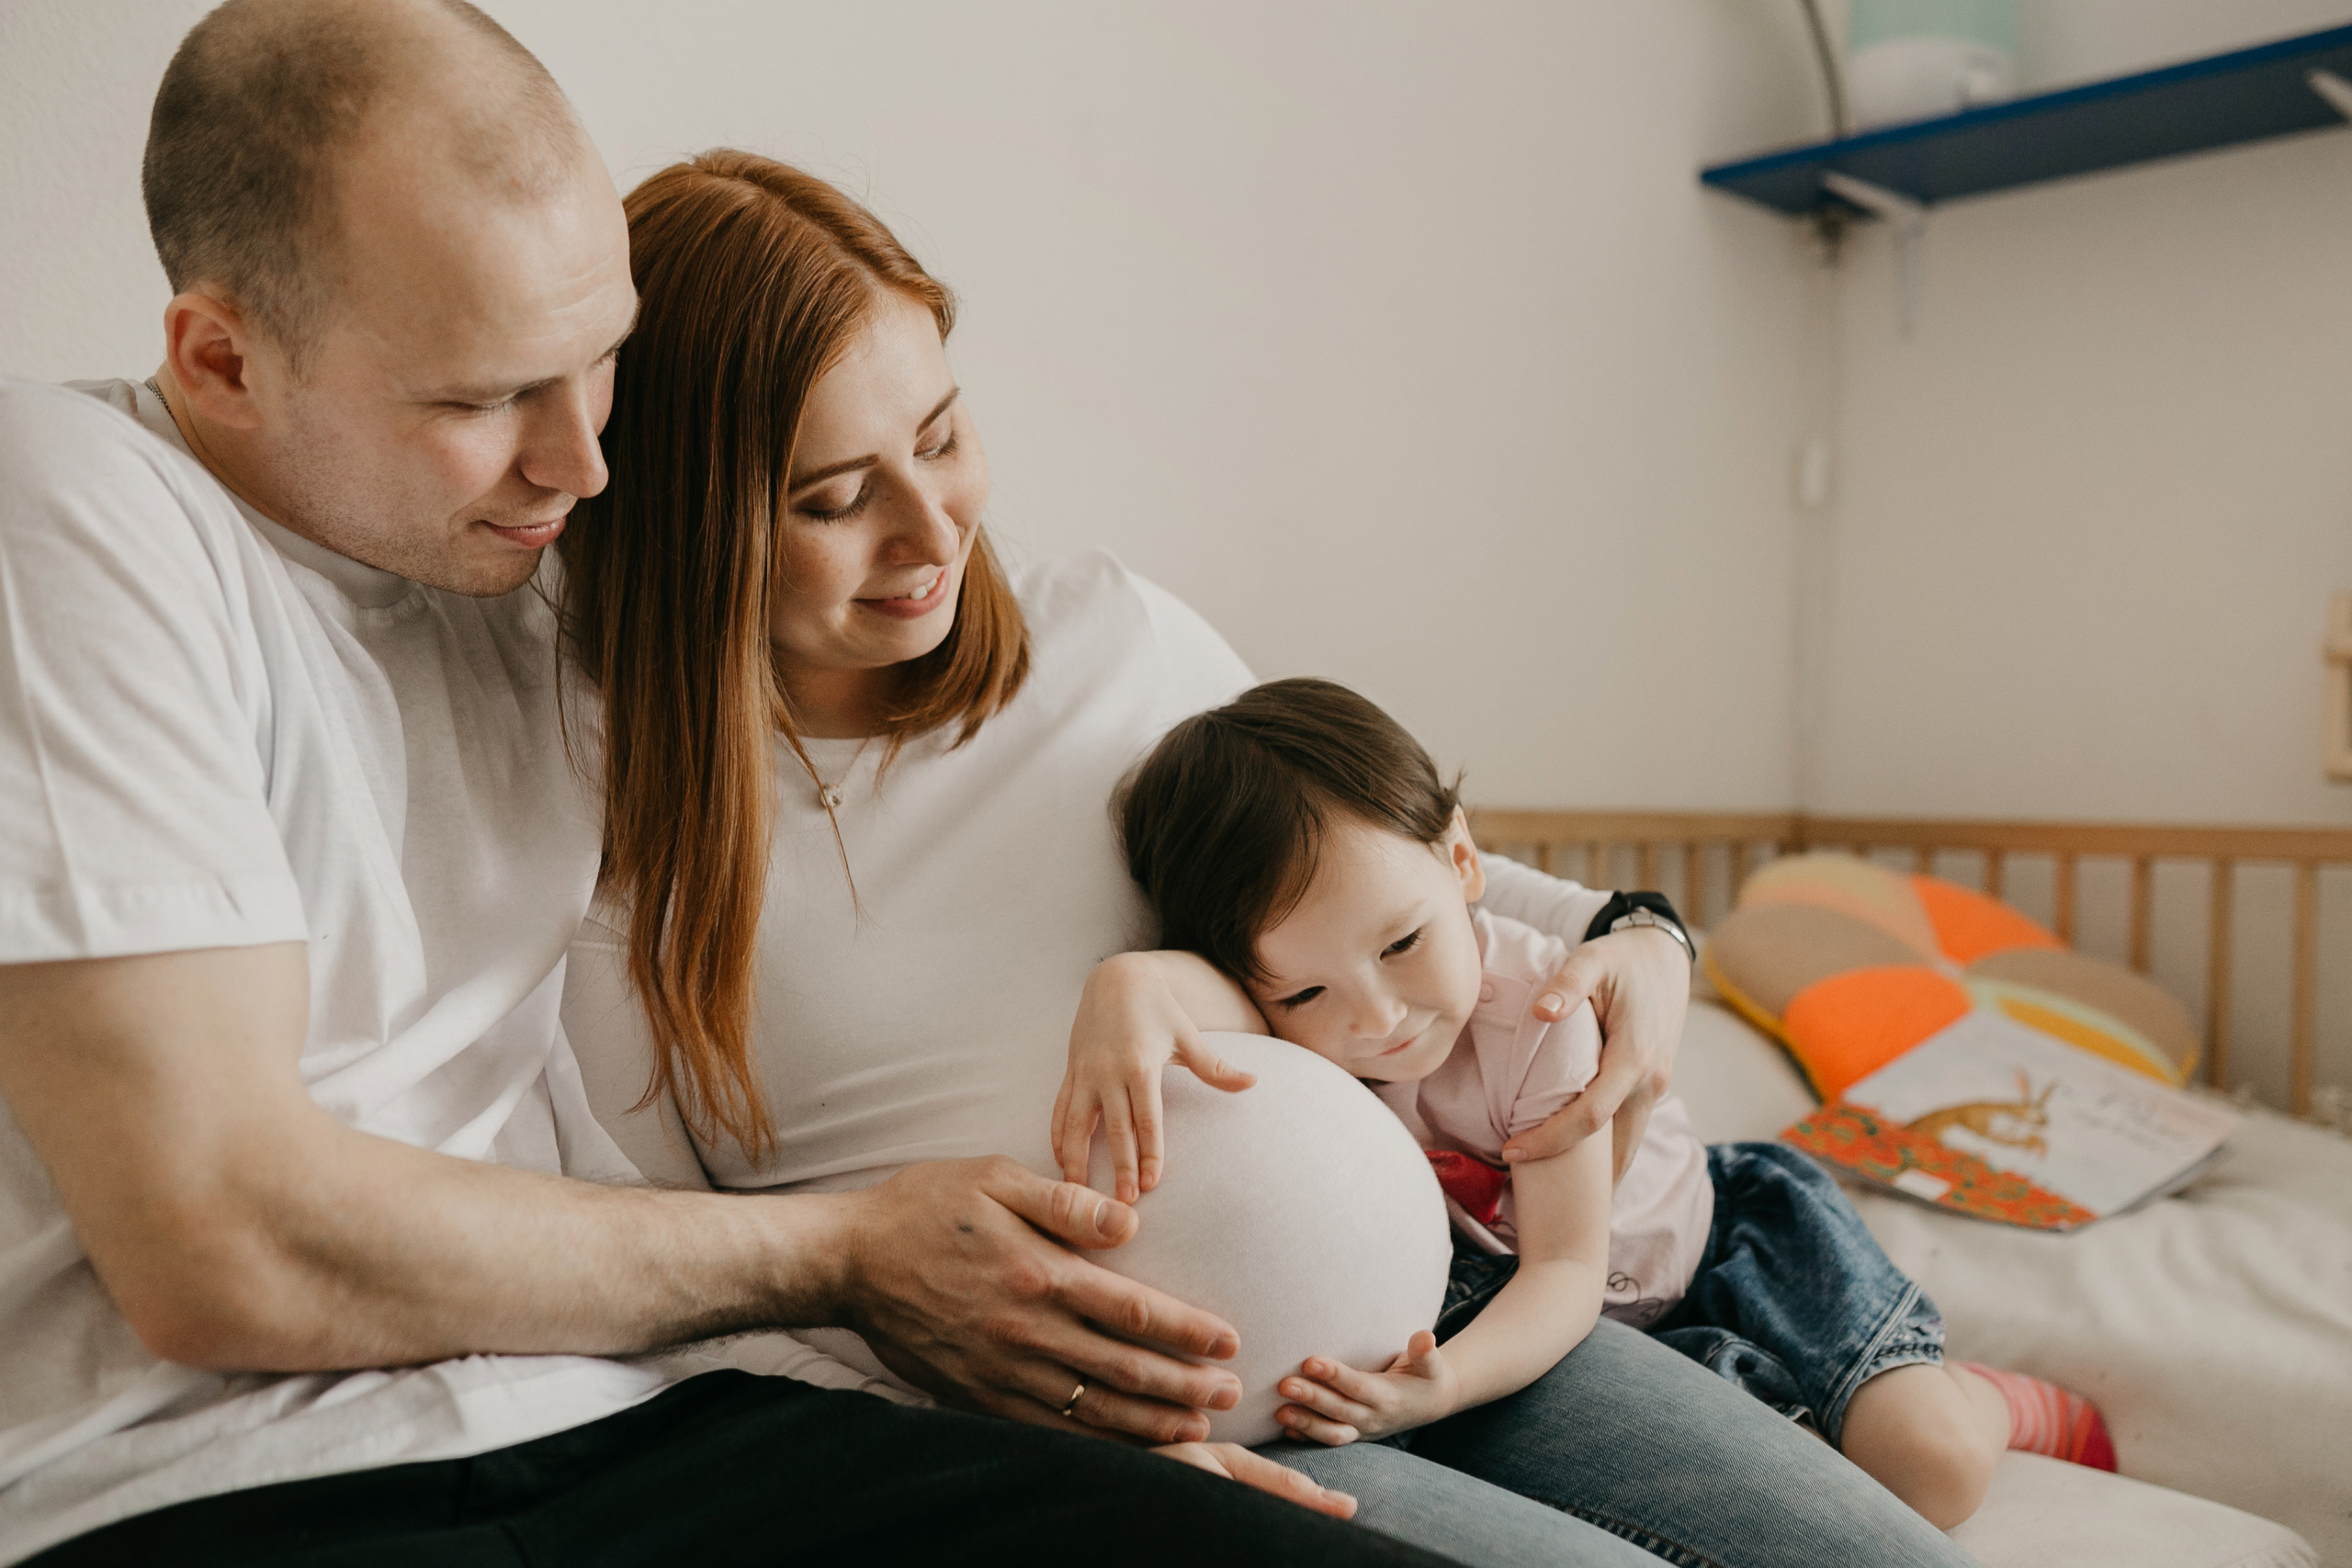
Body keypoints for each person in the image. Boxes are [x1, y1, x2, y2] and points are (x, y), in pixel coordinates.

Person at [0, 5, 1463, 1564]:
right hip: (240, 1480)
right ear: (223, 361)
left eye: (600, 365)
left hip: (645, 1409)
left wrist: (1607, 926)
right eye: (484, 398)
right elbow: (221, 1245)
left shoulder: (521, 576)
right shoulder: (81, 511)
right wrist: (850, 1250)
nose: (584, 462)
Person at [560, 149, 1984, 1567]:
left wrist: (1649, 938)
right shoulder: (625, 837)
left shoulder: (1113, 639)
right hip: (1127, 1439)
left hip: (1455, 1318)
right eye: (830, 498)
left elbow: (1398, 873)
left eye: (940, 435)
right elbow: (686, 1279)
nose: (932, 531)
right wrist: (1018, 1446)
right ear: (695, 518)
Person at [1064, 677, 2121, 1530]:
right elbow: (1215, 998)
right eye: (1301, 990)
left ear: (1464, 861)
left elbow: (1564, 1268)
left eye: (1401, 943)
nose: (1378, 1016)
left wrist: (1440, 1388)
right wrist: (1135, 984)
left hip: (1721, 1253)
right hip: (1616, 1340)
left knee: (1928, 1473)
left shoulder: (1542, 1008)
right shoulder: (1305, 1025)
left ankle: (2003, 1401)